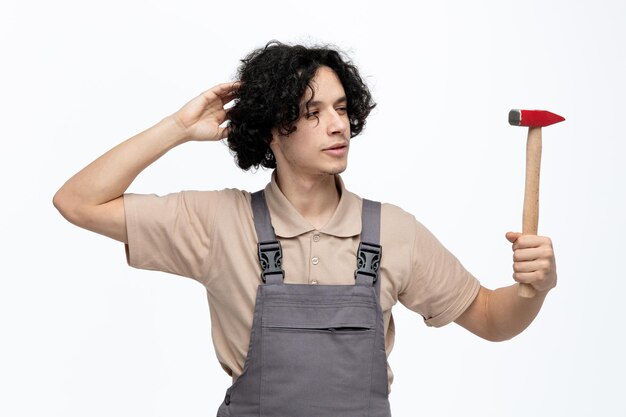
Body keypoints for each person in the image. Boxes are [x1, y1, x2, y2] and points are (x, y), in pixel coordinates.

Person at [53, 40, 557, 416]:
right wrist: (178, 129)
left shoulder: (393, 232)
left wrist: (533, 289)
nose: (337, 125)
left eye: (341, 109)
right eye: (312, 113)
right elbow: (77, 201)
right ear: (272, 129)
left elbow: (493, 319)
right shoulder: (217, 223)